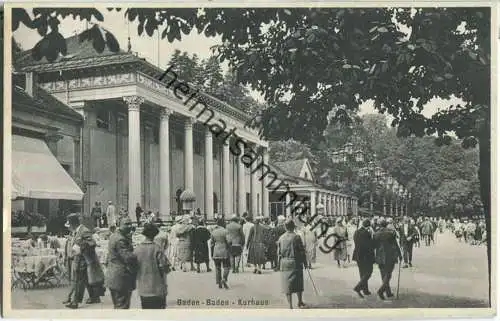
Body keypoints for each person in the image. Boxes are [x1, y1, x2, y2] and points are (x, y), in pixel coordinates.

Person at [63, 213, 105, 309]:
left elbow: (92, 243)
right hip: (80, 259)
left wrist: (80, 247)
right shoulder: (76, 231)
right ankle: (94, 297)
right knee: (85, 279)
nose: (69, 228)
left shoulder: (84, 231)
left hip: (84, 259)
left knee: (78, 280)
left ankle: (75, 302)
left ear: (73, 224)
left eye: (69, 225)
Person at [134, 222, 170, 309]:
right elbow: (166, 267)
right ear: (155, 235)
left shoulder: (137, 249)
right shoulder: (157, 249)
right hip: (158, 288)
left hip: (143, 289)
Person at [105, 217, 138, 309]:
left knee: (118, 305)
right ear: (120, 225)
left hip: (114, 276)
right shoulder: (120, 239)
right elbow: (127, 257)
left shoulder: (115, 236)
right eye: (126, 224)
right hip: (121, 278)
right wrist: (138, 254)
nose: (130, 226)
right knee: (122, 306)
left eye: (130, 223)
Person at [278, 219, 307, 309]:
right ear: (293, 227)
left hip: (284, 262)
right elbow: (301, 251)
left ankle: (290, 305)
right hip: (295, 262)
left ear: (285, 227)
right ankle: (299, 301)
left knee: (287, 285)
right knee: (298, 283)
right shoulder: (296, 237)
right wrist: (305, 262)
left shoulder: (281, 238)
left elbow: (278, 253)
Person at [373, 219, 402, 300]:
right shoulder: (391, 233)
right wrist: (400, 255)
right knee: (388, 274)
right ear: (386, 225)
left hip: (380, 257)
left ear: (379, 225)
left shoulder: (376, 234)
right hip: (389, 256)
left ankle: (388, 292)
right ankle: (381, 291)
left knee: (383, 275)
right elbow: (395, 244)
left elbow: (374, 246)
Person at [352, 219, 375, 298]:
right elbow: (370, 245)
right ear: (368, 226)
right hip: (366, 256)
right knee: (369, 272)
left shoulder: (356, 232)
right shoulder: (367, 233)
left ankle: (365, 290)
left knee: (362, 273)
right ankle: (358, 287)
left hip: (358, 255)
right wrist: (372, 235)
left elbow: (356, 242)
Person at [210, 217, 231, 289]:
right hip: (224, 250)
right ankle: (224, 279)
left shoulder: (213, 231)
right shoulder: (226, 231)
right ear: (223, 223)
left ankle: (219, 282)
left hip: (216, 250)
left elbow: (212, 243)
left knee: (217, 267)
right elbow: (229, 241)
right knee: (227, 266)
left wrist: (212, 253)